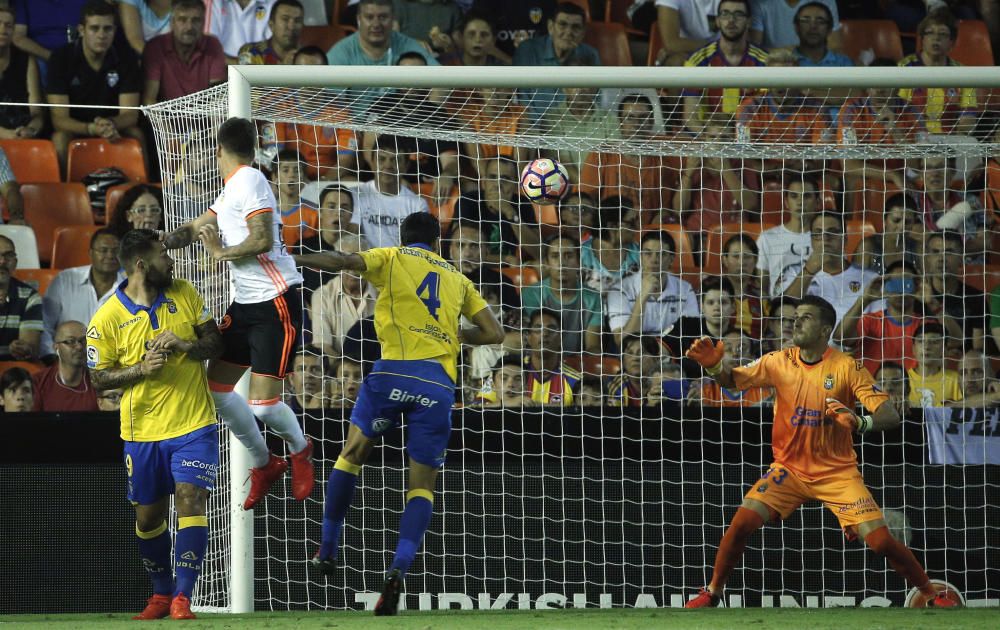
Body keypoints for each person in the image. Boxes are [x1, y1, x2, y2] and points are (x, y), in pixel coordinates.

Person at [683, 294, 959, 609]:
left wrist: (859, 421)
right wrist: (715, 366)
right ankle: (713, 592)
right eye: (795, 316)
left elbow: (890, 415)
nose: (795, 321)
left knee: (881, 541)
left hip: (836, 473)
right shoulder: (778, 361)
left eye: (806, 317)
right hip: (788, 469)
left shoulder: (846, 366)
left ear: (825, 329)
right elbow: (733, 381)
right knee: (741, 522)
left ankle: (930, 593)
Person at [294, 212, 504, 616]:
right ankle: (397, 571)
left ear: (403, 238)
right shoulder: (459, 279)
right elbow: (494, 334)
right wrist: (455, 334)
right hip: (438, 386)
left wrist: (296, 261)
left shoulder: (391, 257)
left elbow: (343, 262)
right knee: (421, 485)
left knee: (352, 454)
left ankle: (326, 548)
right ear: (438, 244)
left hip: (391, 374)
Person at [163, 117, 315, 511]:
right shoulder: (232, 189)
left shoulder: (250, 181)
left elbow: (263, 239)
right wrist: (161, 242)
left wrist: (219, 254)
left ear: (218, 151)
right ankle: (266, 464)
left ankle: (300, 450)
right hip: (246, 304)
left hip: (275, 301)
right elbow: (198, 226)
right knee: (215, 390)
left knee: (263, 405)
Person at [87, 229, 224, 620]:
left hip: (193, 422)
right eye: (165, 256)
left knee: (191, 499)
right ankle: (162, 594)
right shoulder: (107, 316)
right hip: (142, 432)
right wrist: (140, 369)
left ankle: (183, 596)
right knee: (149, 518)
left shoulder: (184, 293)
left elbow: (215, 344)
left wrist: (184, 346)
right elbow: (98, 378)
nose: (172, 261)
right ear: (142, 266)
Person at [46, 1, 143, 174]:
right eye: (94, 28)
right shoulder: (60, 58)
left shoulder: (126, 57)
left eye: (108, 29)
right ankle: (63, 194)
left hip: (113, 127)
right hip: (76, 127)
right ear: (82, 30)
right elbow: (59, 120)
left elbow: (130, 114)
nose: (101, 35)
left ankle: (143, 192)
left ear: (115, 30)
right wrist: (90, 128)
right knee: (59, 139)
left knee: (136, 134)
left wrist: (111, 124)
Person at [681, 0, 767, 134]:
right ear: (717, 21)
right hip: (709, 139)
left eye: (738, 14)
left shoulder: (763, 61)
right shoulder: (698, 60)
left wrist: (740, 142)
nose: (731, 20)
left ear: (749, 21)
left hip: (751, 140)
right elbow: (690, 118)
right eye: (725, 14)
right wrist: (713, 141)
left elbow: (767, 113)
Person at [607, 230, 699, 349]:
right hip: (635, 357)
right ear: (640, 256)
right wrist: (642, 297)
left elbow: (690, 336)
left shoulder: (685, 290)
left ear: (671, 259)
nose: (654, 260)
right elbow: (622, 341)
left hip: (672, 355)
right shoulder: (620, 290)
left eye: (661, 254)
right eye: (648, 253)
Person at [41, 228, 124, 357]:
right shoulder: (65, 280)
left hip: (111, 365)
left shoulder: (130, 288)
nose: (110, 256)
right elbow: (45, 325)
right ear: (90, 253)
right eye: (103, 250)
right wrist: (52, 358)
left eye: (116, 251)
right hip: (64, 363)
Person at [785, 212, 878, 327]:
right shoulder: (794, 272)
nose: (825, 239)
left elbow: (879, 325)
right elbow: (783, 315)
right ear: (811, 240)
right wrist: (808, 272)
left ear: (845, 239)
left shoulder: (870, 278)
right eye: (818, 233)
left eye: (832, 232)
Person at [513, 2, 600, 123]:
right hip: (534, 131)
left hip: (575, 130)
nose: (569, 32)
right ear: (550, 27)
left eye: (576, 27)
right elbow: (523, 101)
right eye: (563, 25)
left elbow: (596, 101)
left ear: (583, 32)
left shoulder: (591, 54)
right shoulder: (527, 50)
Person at [898, 10, 977, 135]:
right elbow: (900, 110)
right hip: (913, 137)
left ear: (952, 42)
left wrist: (961, 134)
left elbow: (968, 114)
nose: (936, 38)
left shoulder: (962, 72)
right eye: (930, 33)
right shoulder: (905, 67)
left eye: (943, 34)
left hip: (950, 139)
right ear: (922, 39)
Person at [521, 234, 604, 355]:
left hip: (575, 366)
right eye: (555, 256)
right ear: (546, 263)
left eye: (568, 256)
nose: (562, 263)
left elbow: (593, 346)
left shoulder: (593, 297)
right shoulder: (531, 293)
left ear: (578, 262)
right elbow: (535, 339)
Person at [351, 135, 431, 249]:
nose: (388, 165)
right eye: (382, 159)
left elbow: (420, 248)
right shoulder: (356, 195)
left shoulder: (418, 205)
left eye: (396, 160)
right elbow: (350, 238)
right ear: (372, 162)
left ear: (406, 166)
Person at [141, 0, 226, 105]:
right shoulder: (155, 48)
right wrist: (165, 122)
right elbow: (149, 100)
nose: (189, 27)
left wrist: (214, 122)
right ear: (172, 22)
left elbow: (217, 99)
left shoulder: (213, 45)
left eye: (196, 20)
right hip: (164, 118)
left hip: (204, 119)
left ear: (203, 23)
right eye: (182, 20)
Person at [756, 175, 819, 298]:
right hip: (780, 309)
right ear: (786, 202)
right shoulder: (767, 238)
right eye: (794, 196)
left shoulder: (826, 238)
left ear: (817, 202)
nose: (800, 202)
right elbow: (762, 289)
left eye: (807, 196)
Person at [326, 0, 436, 66]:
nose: (376, 24)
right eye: (369, 17)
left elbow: (441, 81)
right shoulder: (342, 52)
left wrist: (432, 104)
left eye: (383, 17)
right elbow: (330, 98)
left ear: (392, 19)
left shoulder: (407, 45)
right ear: (359, 19)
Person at [0, 5, 44, 141]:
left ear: (13, 30)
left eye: (8, 26)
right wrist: (9, 135)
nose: (3, 30)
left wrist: (31, 130)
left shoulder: (27, 61)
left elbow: (37, 112)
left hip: (23, 135)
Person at [32, 320, 98, 412]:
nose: (79, 347)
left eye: (84, 341)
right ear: (56, 348)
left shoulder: (99, 381)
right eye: (71, 341)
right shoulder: (39, 382)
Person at [0, 235, 42, 361]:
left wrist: (24, 348)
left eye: (8, 256)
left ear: (15, 263)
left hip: (13, 374)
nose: (2, 261)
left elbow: (32, 347)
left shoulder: (30, 297)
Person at [720, 233, 766, 338]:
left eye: (747, 257)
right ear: (725, 260)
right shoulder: (711, 291)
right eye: (736, 256)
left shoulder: (762, 297)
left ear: (756, 261)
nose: (741, 262)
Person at [908, 322, 963, 407]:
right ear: (913, 349)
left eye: (934, 342)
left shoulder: (955, 380)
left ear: (944, 350)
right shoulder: (902, 379)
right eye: (921, 341)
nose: (926, 347)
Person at [750, 0, 842, 51]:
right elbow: (754, 50)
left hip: (816, 67)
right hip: (774, 66)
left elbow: (835, 47)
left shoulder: (826, 1)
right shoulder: (759, 3)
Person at [654, 0, 721, 67]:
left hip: (724, 50)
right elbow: (671, 44)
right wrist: (713, 47)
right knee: (676, 61)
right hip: (687, 51)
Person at [205, 0, 278, 60]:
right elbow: (209, 49)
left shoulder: (273, 3)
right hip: (223, 69)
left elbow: (278, 45)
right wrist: (238, 66)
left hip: (262, 68)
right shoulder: (213, 2)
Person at [238, 0, 304, 65]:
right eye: (285, 19)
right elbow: (245, 75)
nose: (291, 27)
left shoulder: (309, 56)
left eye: (297, 21)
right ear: (271, 25)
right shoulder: (250, 51)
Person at [606, 334, 662, 407]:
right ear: (623, 361)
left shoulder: (665, 381)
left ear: (656, 359)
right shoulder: (617, 385)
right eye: (630, 353)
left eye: (641, 353)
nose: (635, 358)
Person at [792, 1, 852, 67]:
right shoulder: (785, 62)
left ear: (830, 29)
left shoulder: (843, 63)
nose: (813, 26)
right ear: (796, 27)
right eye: (806, 21)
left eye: (820, 21)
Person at [286, 348, 326, 413]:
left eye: (315, 369)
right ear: (291, 379)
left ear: (326, 376)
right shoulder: (282, 410)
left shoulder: (335, 406)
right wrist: (311, 412)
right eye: (301, 369)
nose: (308, 375)